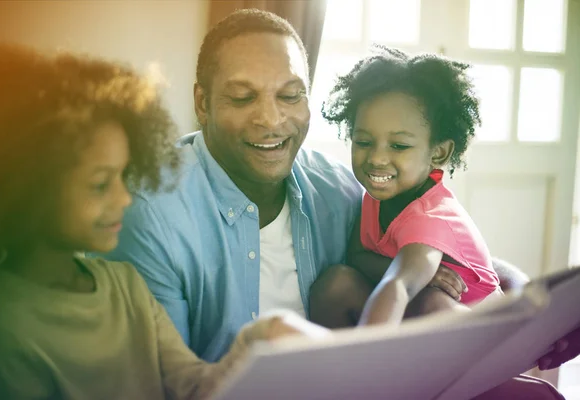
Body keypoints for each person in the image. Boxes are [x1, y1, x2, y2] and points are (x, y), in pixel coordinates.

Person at [106, 9, 570, 399]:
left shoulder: (335, 189)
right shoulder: (151, 210)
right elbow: (161, 385)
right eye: (243, 97)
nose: (271, 119)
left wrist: (528, 294)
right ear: (202, 104)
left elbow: (434, 253)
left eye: (290, 95)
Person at [0, 44, 322, 400]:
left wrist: (259, 337)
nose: (124, 198)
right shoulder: (0, 328)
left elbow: (192, 386)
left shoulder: (125, 286)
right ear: (29, 184)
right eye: (100, 185)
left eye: (123, 176)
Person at [310, 46, 502, 328]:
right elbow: (358, 257)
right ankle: (327, 364)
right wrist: (426, 276)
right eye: (363, 142)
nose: (376, 158)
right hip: (414, 315)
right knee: (336, 282)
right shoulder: (377, 197)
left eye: (398, 146)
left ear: (438, 153)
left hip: (482, 331)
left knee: (433, 303)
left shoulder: (429, 218)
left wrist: (368, 349)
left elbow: (399, 286)